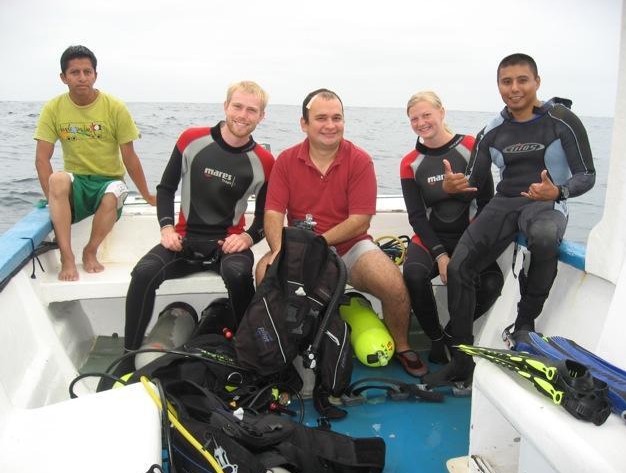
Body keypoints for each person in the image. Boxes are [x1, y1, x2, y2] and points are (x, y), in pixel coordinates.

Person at [422, 53, 595, 385]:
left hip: (545, 204)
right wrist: (451, 186)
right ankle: (461, 360)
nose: (514, 88)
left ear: (537, 82)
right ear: (499, 86)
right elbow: (471, 181)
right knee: (459, 268)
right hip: (505, 203)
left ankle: (525, 324)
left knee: (544, 238)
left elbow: (586, 175)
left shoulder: (562, 120)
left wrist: (557, 191)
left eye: (522, 80)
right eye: (506, 81)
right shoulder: (492, 130)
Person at [256, 88, 427, 378]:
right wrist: (278, 250)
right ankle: (280, 348)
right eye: (321, 118)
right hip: (302, 249)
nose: (330, 125)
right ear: (304, 124)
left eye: (337, 117)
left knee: (394, 285)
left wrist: (319, 244)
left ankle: (402, 345)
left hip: (350, 247)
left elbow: (360, 221)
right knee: (264, 272)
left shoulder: (359, 160)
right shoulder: (286, 160)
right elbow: (273, 213)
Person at [123, 81, 274, 374]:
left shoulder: (265, 161)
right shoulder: (192, 139)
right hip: (183, 241)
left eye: (251, 110)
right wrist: (166, 228)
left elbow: (267, 216)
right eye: (238, 106)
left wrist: (247, 237)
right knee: (143, 273)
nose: (243, 115)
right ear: (226, 106)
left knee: (239, 273)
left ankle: (245, 355)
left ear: (261, 116)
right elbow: (165, 189)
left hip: (226, 245)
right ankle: (129, 356)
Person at [34, 45, 156, 281]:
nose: (82, 78)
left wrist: (147, 195)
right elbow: (41, 159)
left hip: (108, 181)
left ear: (95, 75)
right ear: (63, 78)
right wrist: (53, 198)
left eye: (87, 72)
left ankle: (90, 250)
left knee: (114, 192)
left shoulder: (115, 107)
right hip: (76, 182)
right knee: (57, 179)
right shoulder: (53, 108)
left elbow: (130, 157)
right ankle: (67, 256)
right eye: (75, 72)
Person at [400, 91, 503, 366]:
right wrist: (440, 256)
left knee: (492, 282)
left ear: (442, 112)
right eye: (414, 119)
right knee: (413, 274)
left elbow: (486, 202)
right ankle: (434, 339)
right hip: (430, 238)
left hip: (469, 236)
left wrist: (464, 251)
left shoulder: (471, 147)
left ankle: (450, 334)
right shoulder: (410, 163)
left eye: (426, 115)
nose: (421, 122)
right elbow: (417, 216)